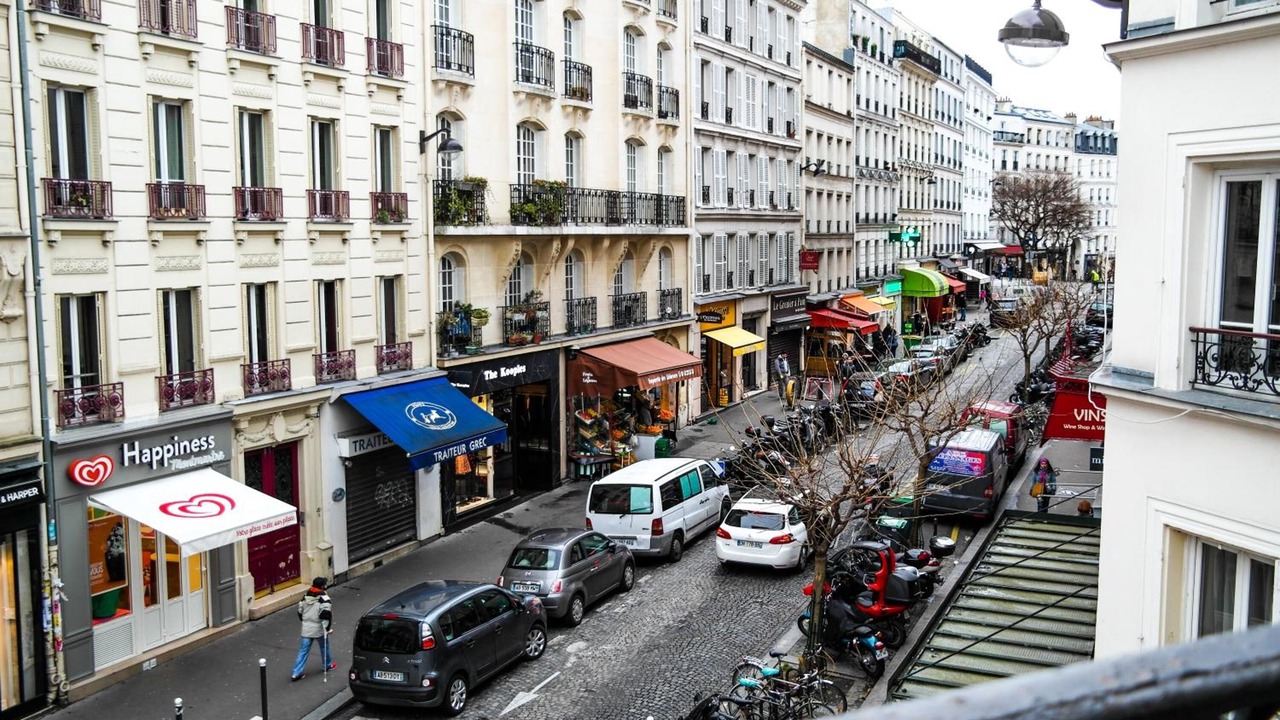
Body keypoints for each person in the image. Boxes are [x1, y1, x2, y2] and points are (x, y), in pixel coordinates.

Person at [292, 577, 336, 681]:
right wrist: (327, 628)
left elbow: (300, 611)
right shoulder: (324, 598)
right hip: (319, 628)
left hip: (306, 628)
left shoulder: (305, 596)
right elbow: (326, 615)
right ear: (322, 586)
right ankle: (327, 665)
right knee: (324, 647)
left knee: (303, 651)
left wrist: (305, 622)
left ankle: (296, 672)